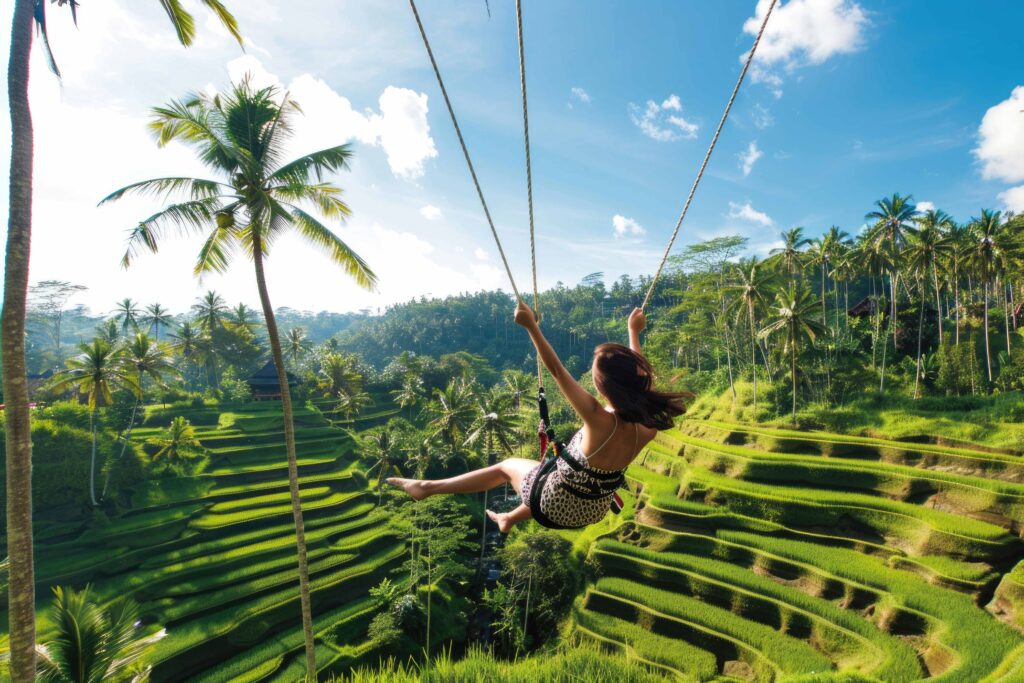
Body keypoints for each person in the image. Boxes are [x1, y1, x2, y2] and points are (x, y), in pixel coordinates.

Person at [387, 301, 689, 532]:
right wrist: (634, 333)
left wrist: (531, 326)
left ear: (602, 386)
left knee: (509, 468)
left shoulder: (599, 419)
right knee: (550, 474)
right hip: (592, 510)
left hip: (553, 503)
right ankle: (508, 518)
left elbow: (557, 370)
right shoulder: (648, 426)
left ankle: (426, 488)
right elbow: (642, 380)